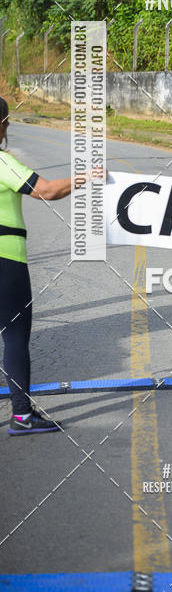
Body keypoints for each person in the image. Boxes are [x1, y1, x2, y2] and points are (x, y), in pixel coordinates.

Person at [0, 96, 99, 435]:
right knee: (14, 336)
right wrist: (86, 178)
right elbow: (45, 191)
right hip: (5, 258)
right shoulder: (2, 162)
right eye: (5, 122)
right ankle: (21, 417)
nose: (8, 127)